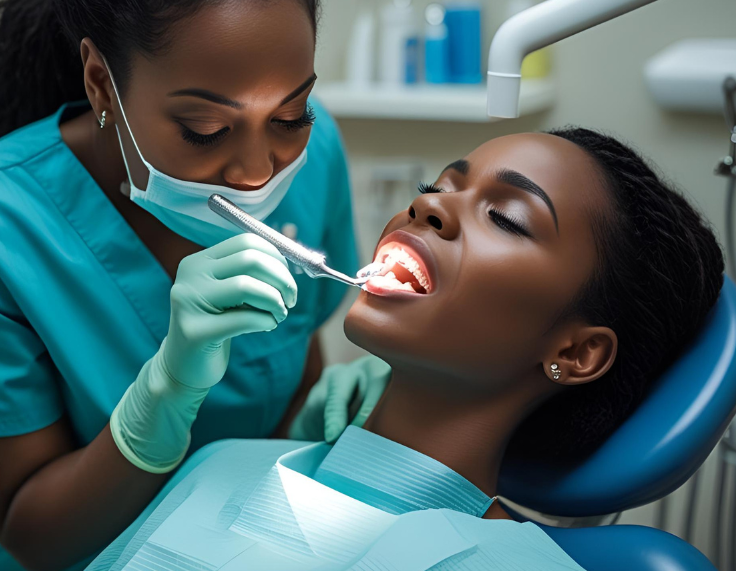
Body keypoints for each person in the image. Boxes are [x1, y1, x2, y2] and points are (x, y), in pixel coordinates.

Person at [0, 0, 386, 569]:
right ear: (102, 83)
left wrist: (314, 419)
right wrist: (161, 400)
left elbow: (289, 359)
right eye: (205, 131)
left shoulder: (318, 157)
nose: (258, 173)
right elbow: (28, 531)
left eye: (290, 117)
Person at [82, 128, 725, 571]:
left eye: (506, 218)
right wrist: (164, 388)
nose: (430, 207)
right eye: (439, 184)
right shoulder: (220, 466)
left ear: (577, 352)